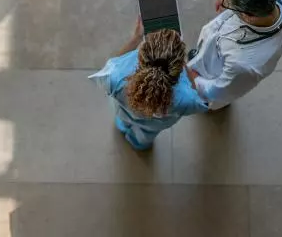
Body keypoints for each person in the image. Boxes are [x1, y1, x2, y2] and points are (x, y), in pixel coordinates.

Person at [186, 0, 282, 110]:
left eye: (227, 3)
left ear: (249, 16)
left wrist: (195, 80)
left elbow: (219, 90)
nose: (222, 1)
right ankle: (200, 57)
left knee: (208, 95)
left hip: (215, 74)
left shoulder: (244, 64)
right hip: (217, 45)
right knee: (203, 52)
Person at [89, 19, 208, 151]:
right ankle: (138, 144)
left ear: (141, 55)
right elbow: (199, 101)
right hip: (152, 128)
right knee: (144, 137)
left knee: (122, 120)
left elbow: (114, 63)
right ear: (177, 69)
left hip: (124, 113)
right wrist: (186, 66)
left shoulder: (116, 77)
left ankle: (122, 127)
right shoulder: (186, 100)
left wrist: (136, 38)